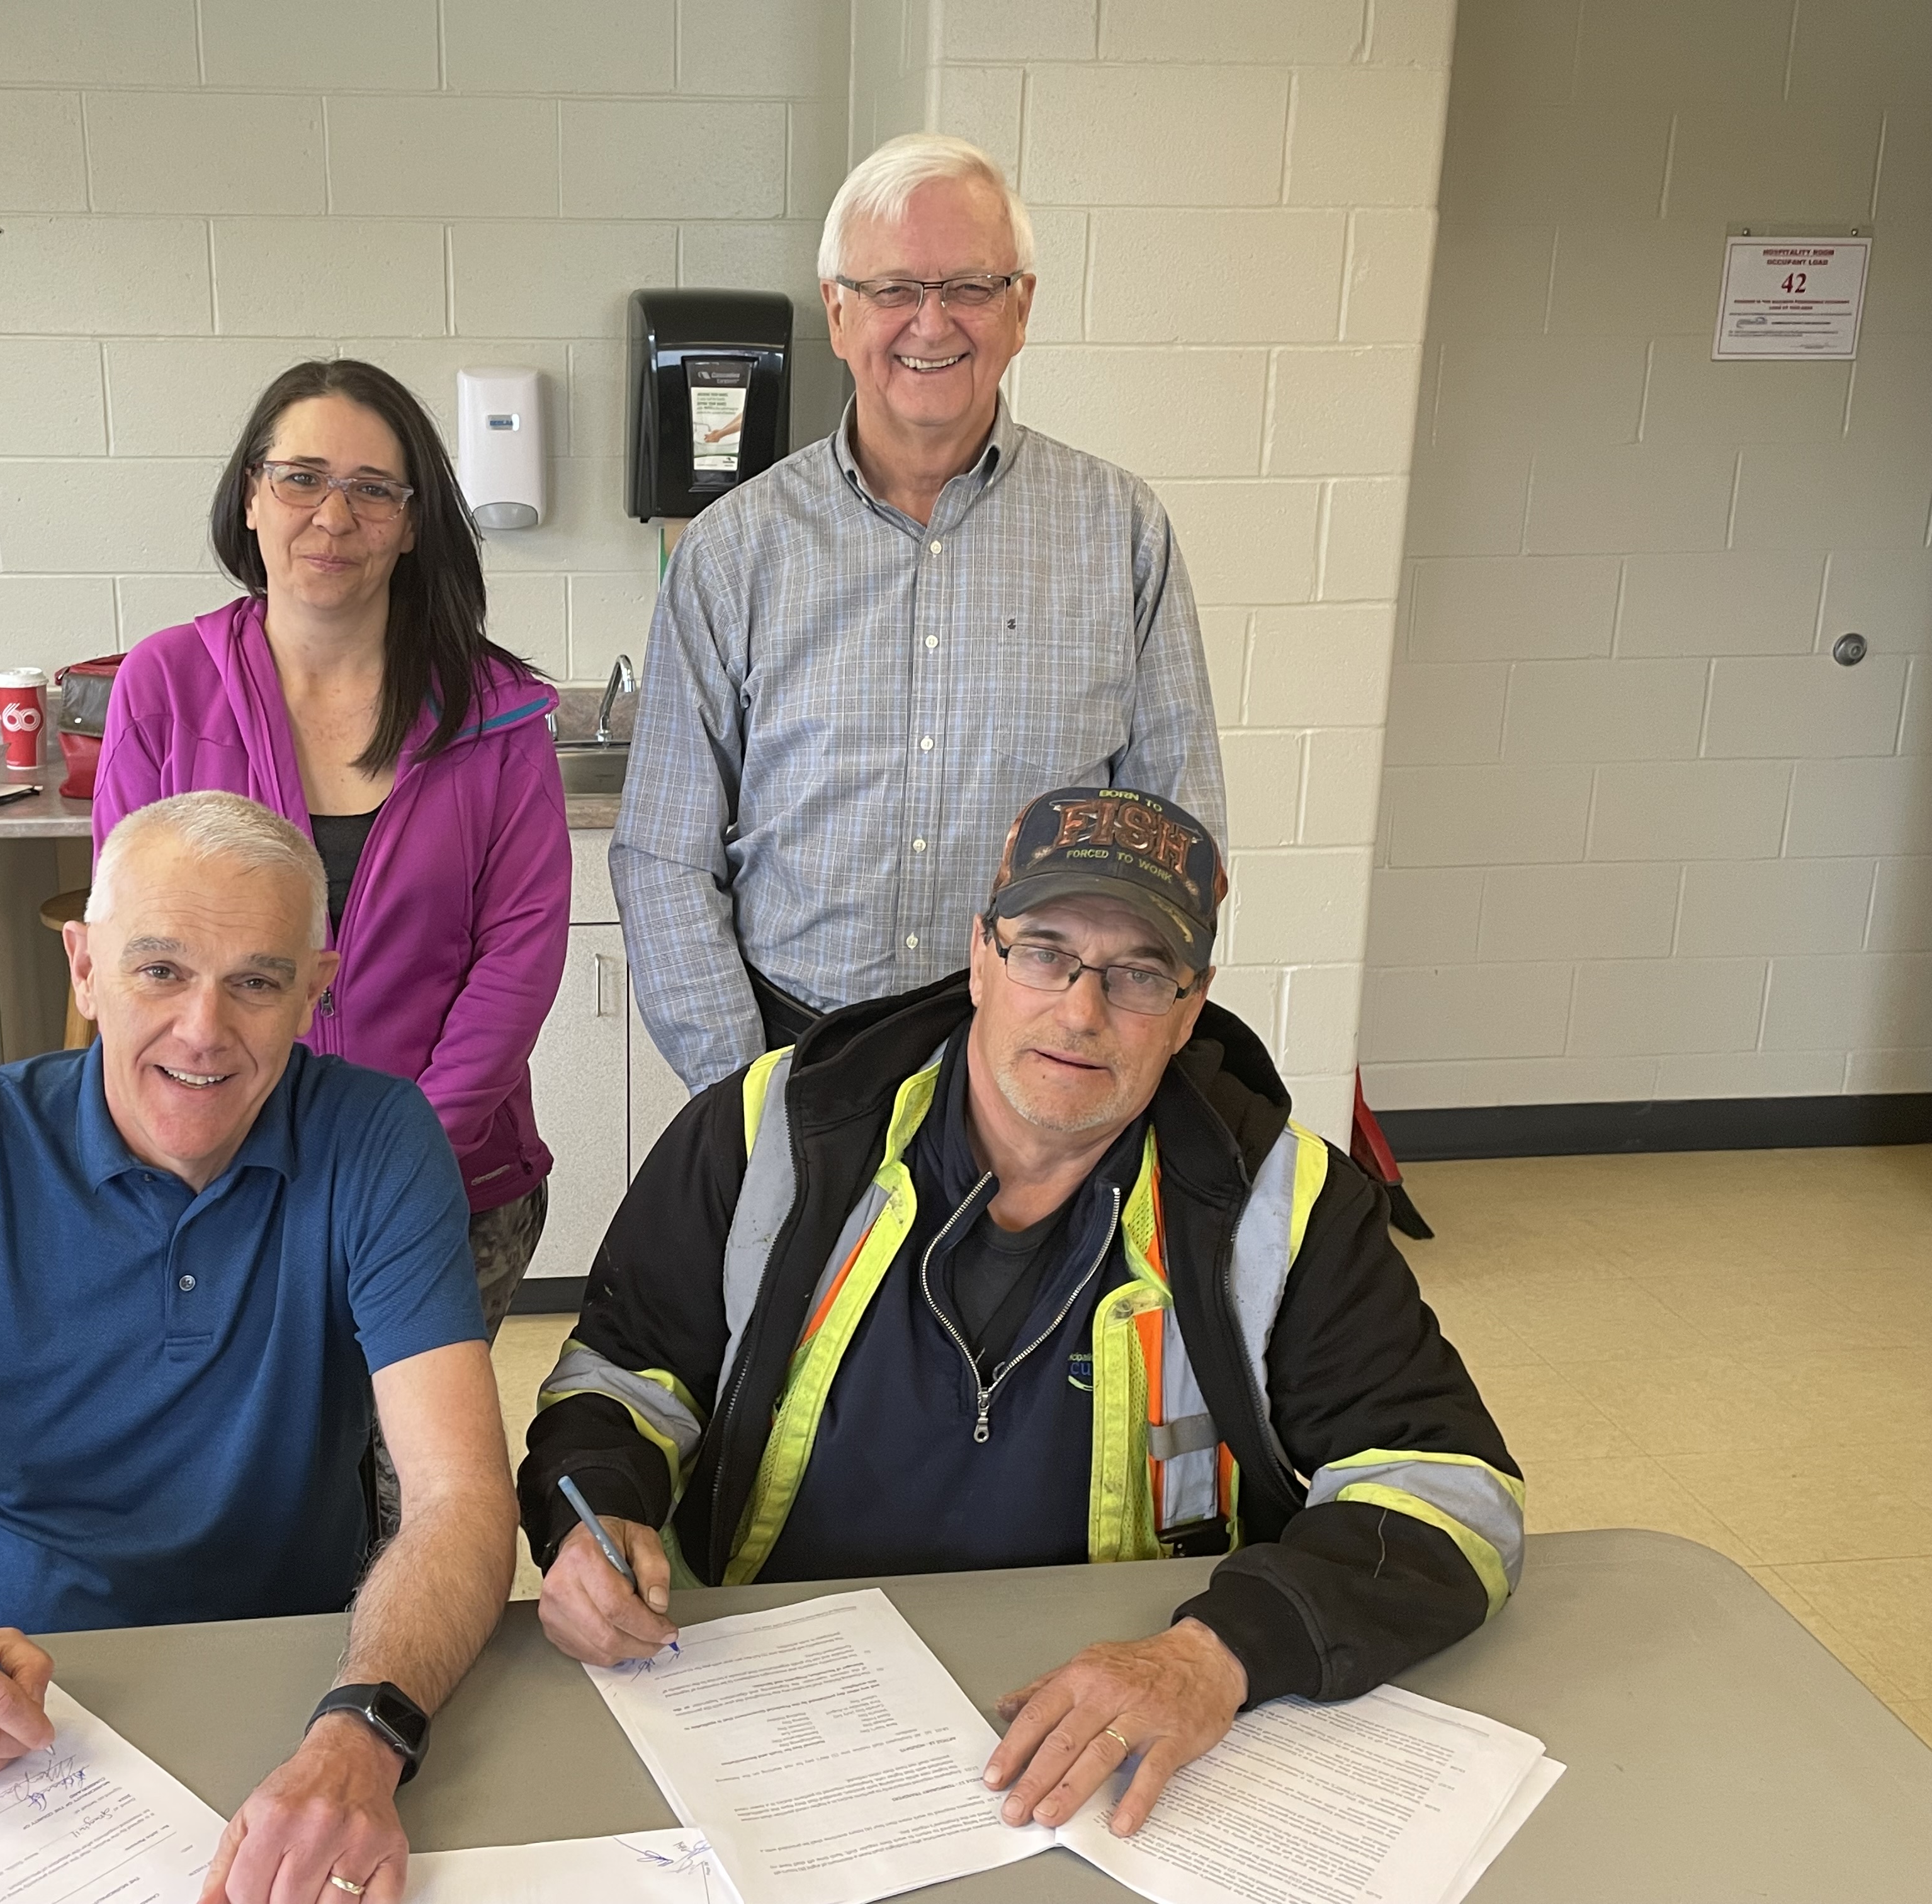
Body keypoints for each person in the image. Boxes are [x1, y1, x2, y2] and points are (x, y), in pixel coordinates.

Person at [523, 786, 1521, 1840]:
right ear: (980, 955)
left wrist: (1216, 1653)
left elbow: (1453, 1491)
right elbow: (621, 1372)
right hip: (772, 1702)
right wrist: (594, 1514)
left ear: (1193, 1007)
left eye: (1139, 973)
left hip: (1119, 1730)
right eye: (1046, 950)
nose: (1082, 1013)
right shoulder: (773, 1127)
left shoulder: (1288, 1201)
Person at [0, 793, 518, 1904]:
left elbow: (462, 1500)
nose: (205, 1030)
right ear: (84, 967)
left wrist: (365, 1731)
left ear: (316, 991)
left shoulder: (379, 1141)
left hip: (297, 1686)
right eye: (159, 971)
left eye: (257, 981)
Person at [616, 133, 1228, 1092]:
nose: (931, 323)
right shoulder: (734, 550)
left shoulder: (1122, 534)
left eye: (972, 286)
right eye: (893, 288)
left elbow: (1177, 843)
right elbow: (663, 856)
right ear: (837, 310)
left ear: (1021, 308)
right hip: (799, 1056)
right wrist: (745, 1091)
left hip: (1044, 1063)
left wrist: (1113, 1054)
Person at [95, 357, 570, 1342]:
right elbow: (138, 942)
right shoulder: (166, 686)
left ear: (412, 522)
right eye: (302, 478)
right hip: (220, 1179)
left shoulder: (496, 711)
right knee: (257, 1480)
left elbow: (519, 958)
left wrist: (404, 1160)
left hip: (450, 1186)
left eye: (372, 490)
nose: (334, 515)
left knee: (416, 1485)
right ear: (252, 498)